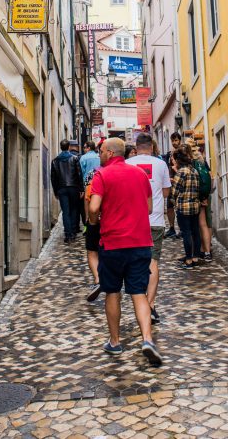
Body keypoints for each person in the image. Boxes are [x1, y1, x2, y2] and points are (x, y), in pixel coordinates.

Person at [89, 138, 163, 365]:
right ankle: (147, 340)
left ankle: (114, 342)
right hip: (140, 243)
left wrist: (94, 221)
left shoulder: (102, 175)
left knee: (112, 292)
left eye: (102, 151)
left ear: (110, 153)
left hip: (113, 243)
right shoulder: (140, 174)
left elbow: (94, 207)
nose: (100, 154)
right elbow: (149, 208)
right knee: (139, 293)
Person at [125, 133, 172, 324]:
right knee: (153, 261)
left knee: (134, 262)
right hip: (155, 220)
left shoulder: (127, 164)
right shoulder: (161, 164)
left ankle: (140, 303)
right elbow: (166, 192)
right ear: (151, 147)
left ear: (136, 148)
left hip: (132, 221)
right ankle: (150, 304)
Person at [170, 146, 202, 269]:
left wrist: (173, 199)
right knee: (195, 232)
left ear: (178, 160)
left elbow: (174, 192)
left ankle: (188, 260)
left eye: (174, 159)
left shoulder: (181, 172)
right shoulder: (194, 170)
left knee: (186, 233)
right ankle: (195, 257)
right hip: (195, 206)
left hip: (183, 207)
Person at [50, 139, 84, 244]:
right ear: (69, 147)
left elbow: (53, 178)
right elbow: (79, 174)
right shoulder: (74, 158)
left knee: (65, 211)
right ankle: (73, 232)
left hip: (61, 188)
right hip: (73, 187)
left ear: (61, 147)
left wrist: (55, 191)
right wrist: (81, 189)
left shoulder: (55, 161)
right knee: (74, 209)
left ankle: (68, 234)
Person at [83, 168, 102, 302]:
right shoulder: (124, 172)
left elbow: (88, 200)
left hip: (96, 219)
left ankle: (98, 278)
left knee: (92, 251)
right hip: (114, 220)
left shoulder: (93, 174)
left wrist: (89, 220)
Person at [162, 131, 182, 238]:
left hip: (180, 183)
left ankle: (182, 229)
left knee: (179, 207)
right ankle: (171, 228)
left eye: (176, 140)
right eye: (172, 140)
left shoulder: (183, 153)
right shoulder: (169, 154)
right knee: (169, 206)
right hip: (170, 183)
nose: (174, 142)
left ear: (180, 140)